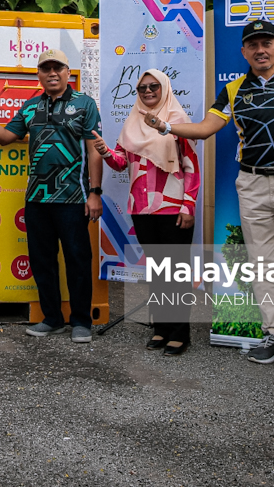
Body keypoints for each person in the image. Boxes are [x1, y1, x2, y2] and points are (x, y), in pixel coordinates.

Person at [160, 20, 274, 375]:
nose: (260, 50)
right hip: (252, 184)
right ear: (243, 51)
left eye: (266, 42)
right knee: (263, 266)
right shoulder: (234, 88)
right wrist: (166, 126)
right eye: (252, 44)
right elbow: (206, 129)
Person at [0, 49, 103, 344]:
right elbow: (5, 138)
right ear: (38, 74)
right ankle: (52, 318)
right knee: (42, 260)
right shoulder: (30, 107)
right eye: (46, 69)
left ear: (68, 73)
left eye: (58, 68)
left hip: (73, 198)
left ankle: (80, 322)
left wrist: (95, 193)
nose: (52, 73)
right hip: (37, 199)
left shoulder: (85, 104)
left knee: (78, 260)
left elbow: (94, 150)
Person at [92, 69, 200, 354]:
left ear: (164, 88)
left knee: (175, 272)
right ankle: (162, 329)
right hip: (141, 208)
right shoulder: (132, 123)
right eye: (142, 88)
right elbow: (119, 163)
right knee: (157, 272)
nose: (148, 91)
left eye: (154, 86)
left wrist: (188, 205)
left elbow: (191, 167)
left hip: (173, 207)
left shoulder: (177, 122)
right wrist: (104, 151)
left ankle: (180, 334)